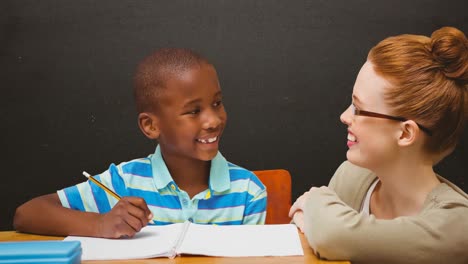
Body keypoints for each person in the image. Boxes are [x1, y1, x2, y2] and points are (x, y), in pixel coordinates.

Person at [14, 48, 267, 238]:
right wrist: (101, 224)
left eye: (217, 103)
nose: (213, 121)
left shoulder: (248, 192)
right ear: (151, 126)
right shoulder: (124, 182)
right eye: (193, 111)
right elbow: (27, 214)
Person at [289, 26, 468, 263]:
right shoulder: (352, 176)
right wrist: (319, 226)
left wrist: (314, 201)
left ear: (405, 133)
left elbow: (330, 235)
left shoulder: (457, 224)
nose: (344, 116)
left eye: (358, 109)